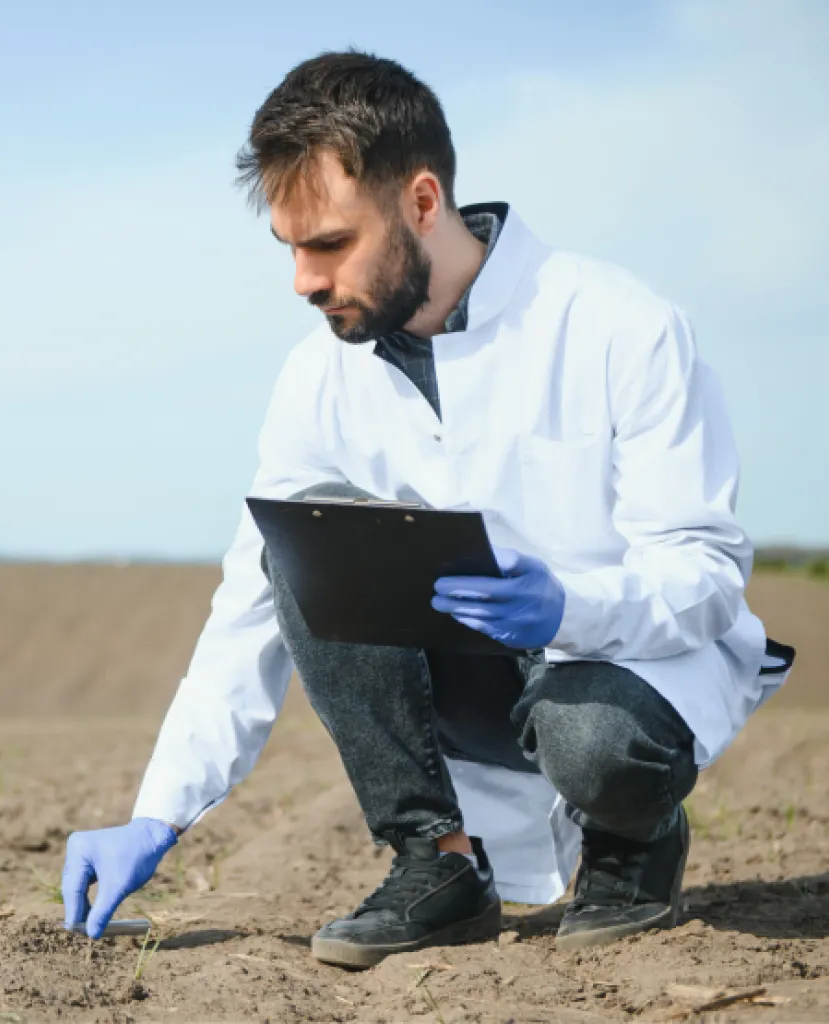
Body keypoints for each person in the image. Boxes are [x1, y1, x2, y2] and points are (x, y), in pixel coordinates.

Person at [60, 50, 795, 968]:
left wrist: (570, 606)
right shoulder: (315, 377)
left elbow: (707, 572)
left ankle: (634, 839)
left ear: (419, 202)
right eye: (290, 249)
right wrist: (157, 811)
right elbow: (253, 598)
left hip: (624, 674)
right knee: (301, 538)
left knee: (591, 734)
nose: (302, 280)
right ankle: (438, 863)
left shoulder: (617, 324)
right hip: (475, 684)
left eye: (329, 243)